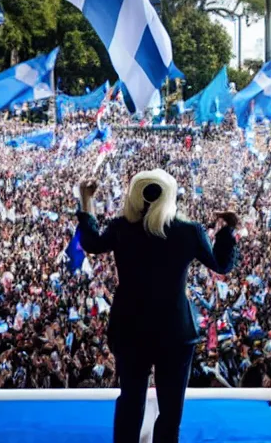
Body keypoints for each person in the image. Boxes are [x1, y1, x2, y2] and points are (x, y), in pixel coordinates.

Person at [77, 169, 239, 443]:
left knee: (131, 400)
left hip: (130, 330)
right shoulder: (190, 232)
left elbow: (91, 243)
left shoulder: (121, 228)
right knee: (171, 407)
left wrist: (86, 199)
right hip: (175, 333)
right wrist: (226, 231)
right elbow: (222, 265)